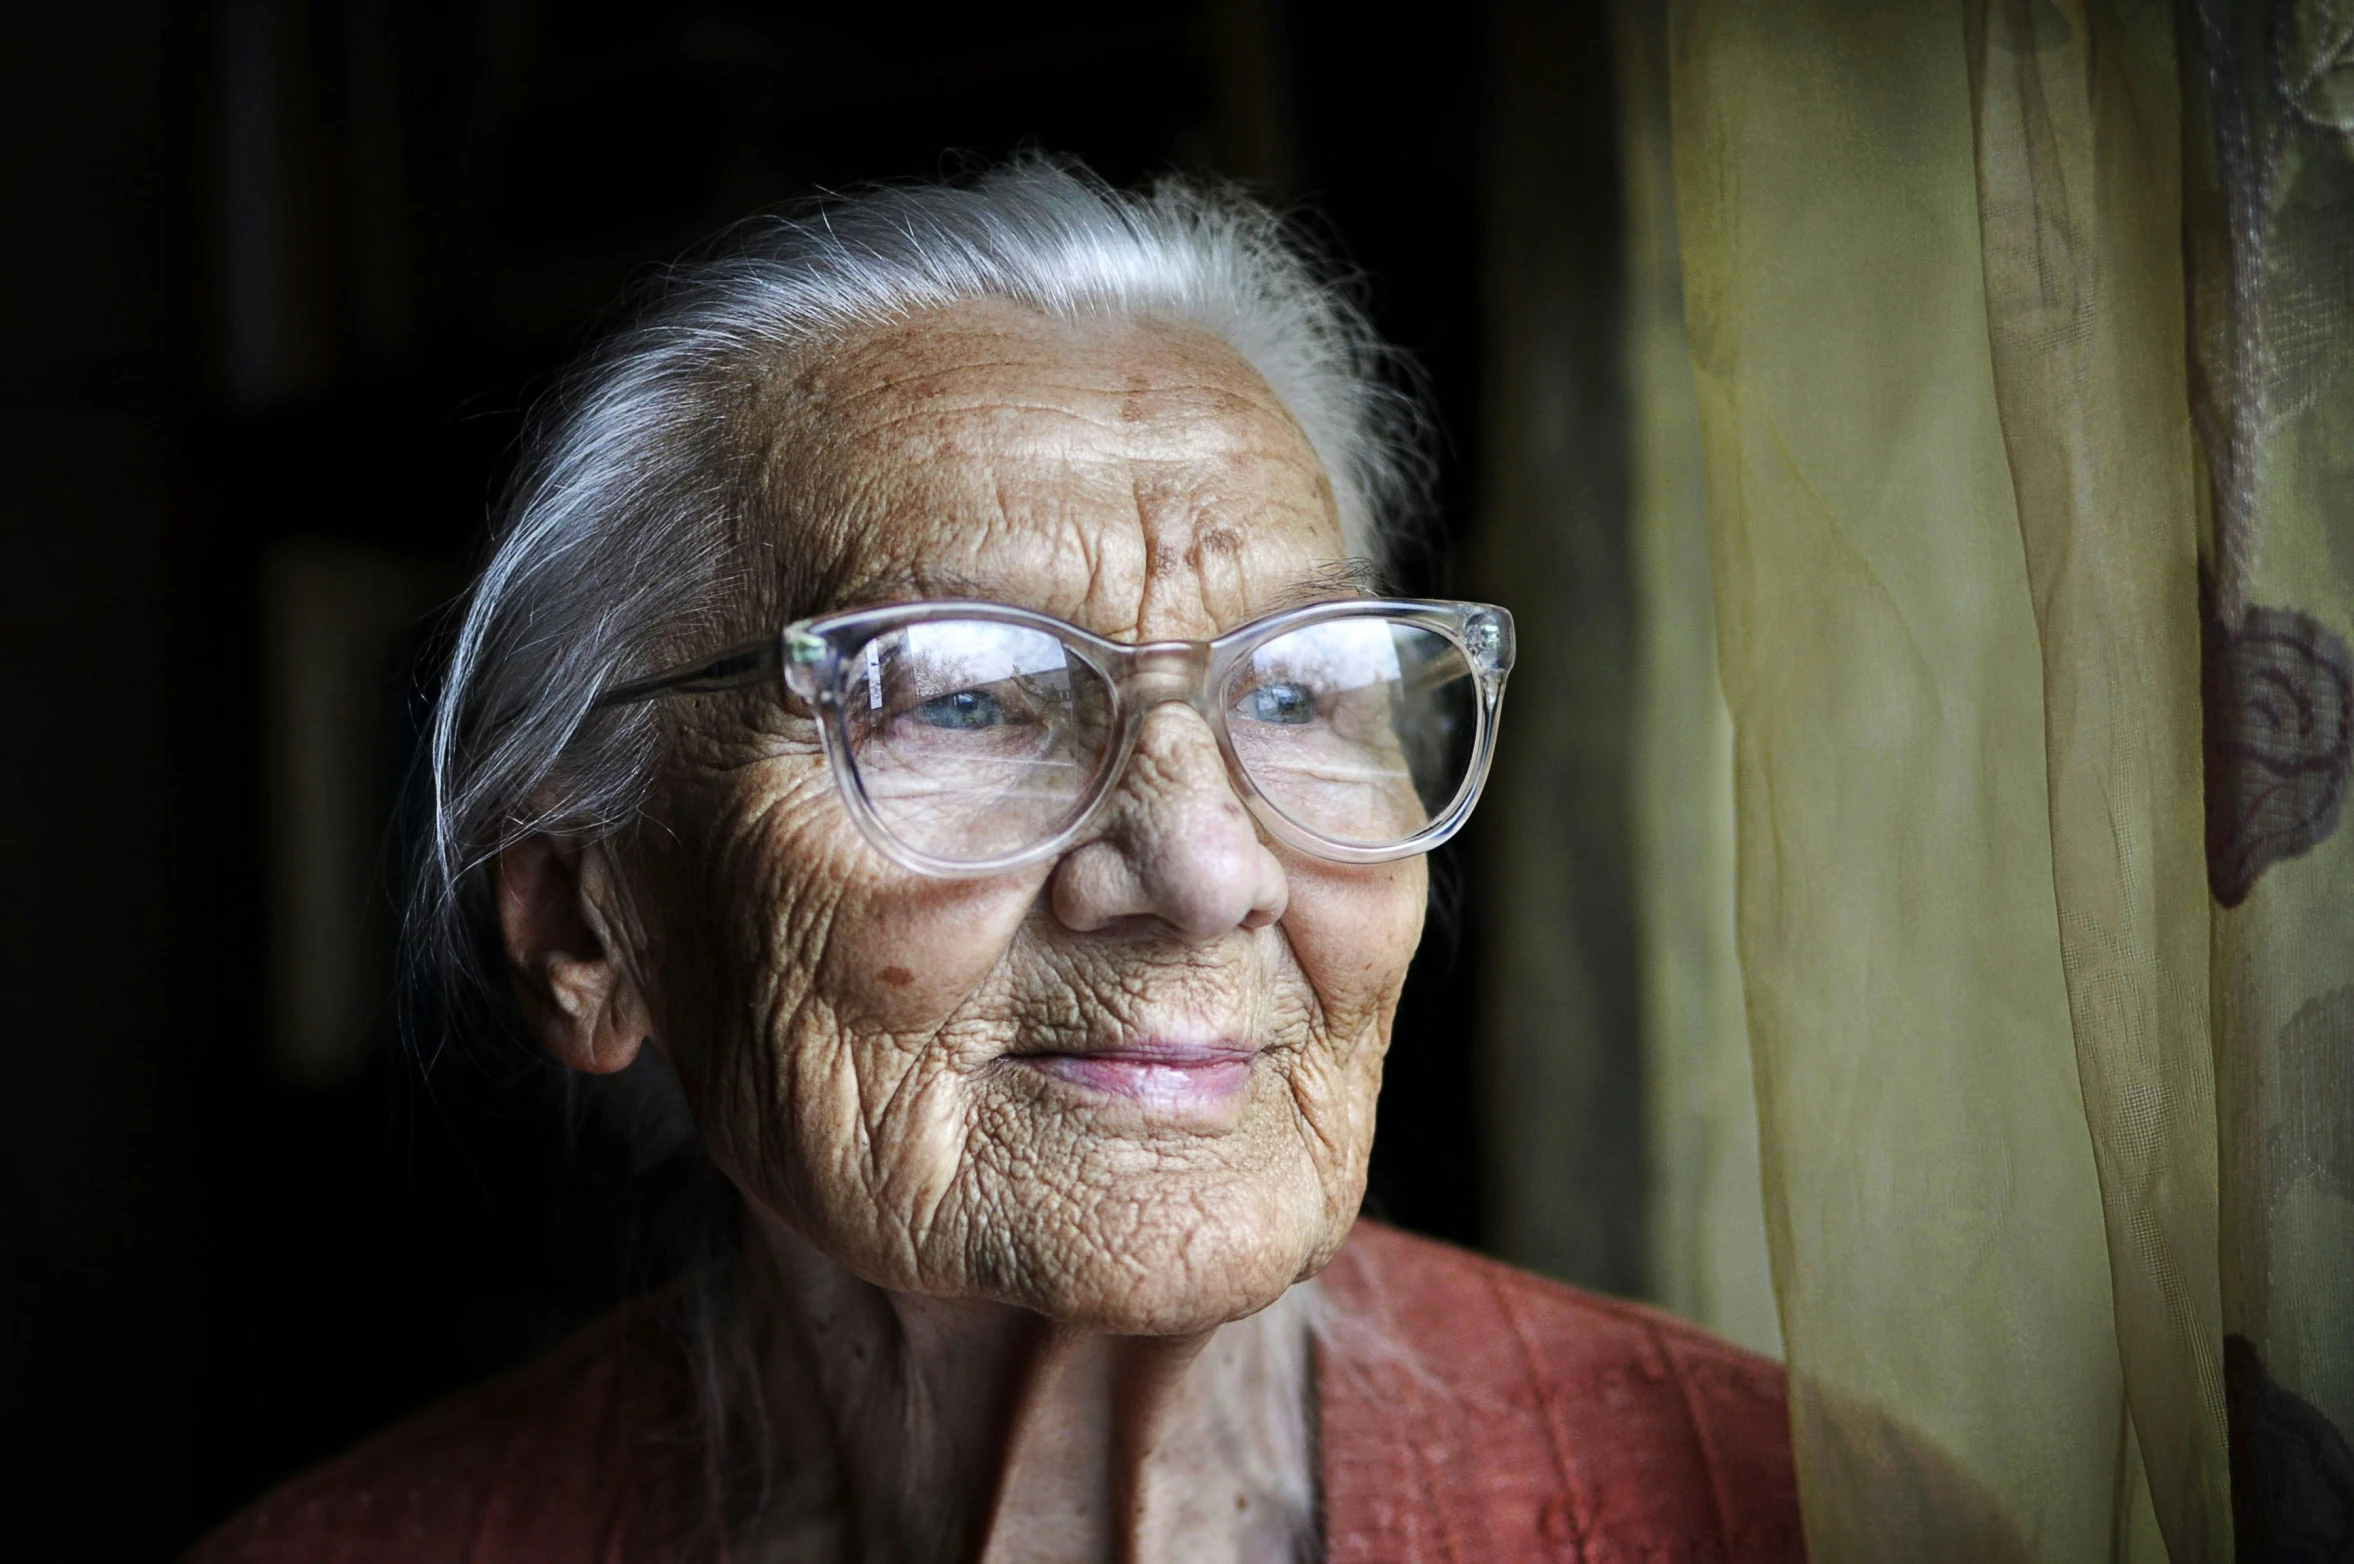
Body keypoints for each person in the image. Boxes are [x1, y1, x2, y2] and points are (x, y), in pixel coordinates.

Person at [193, 157, 1800, 1563]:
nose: (1205, 868)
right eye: (956, 697)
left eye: (1300, 690)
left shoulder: (1779, 1516)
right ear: (586, 925)